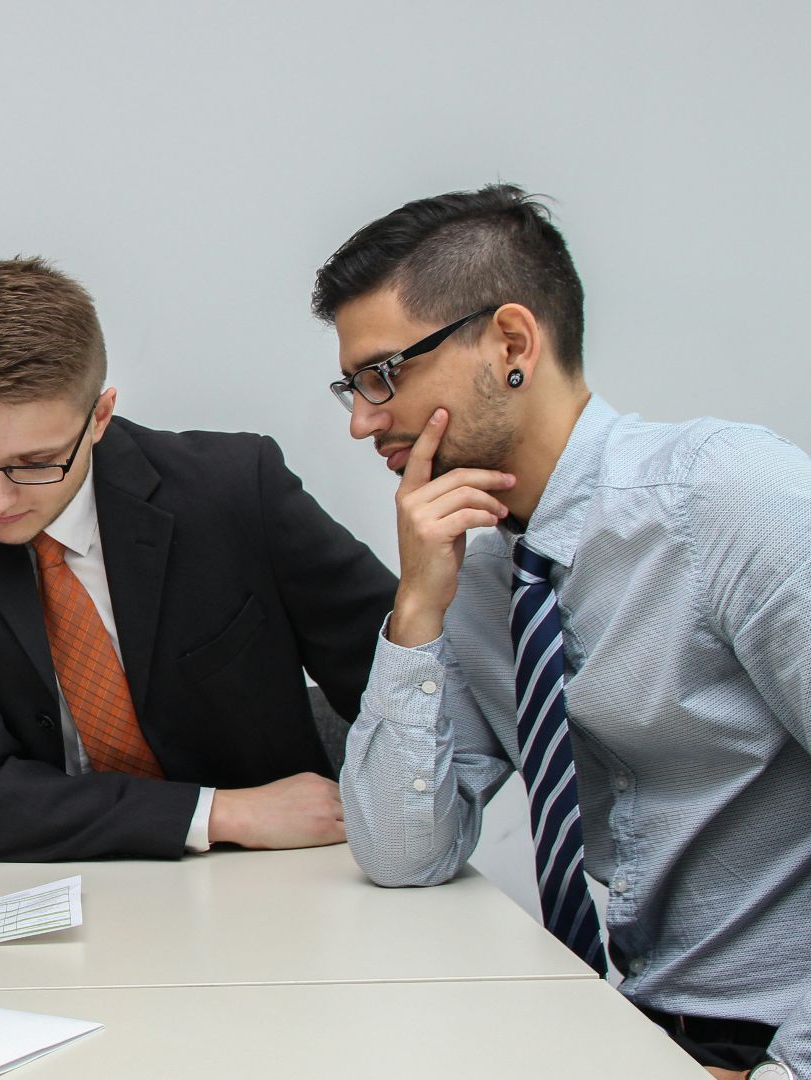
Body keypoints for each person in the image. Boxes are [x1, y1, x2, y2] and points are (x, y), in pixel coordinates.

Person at [315, 183, 808, 1080]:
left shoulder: (733, 501)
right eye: (353, 385)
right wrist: (416, 611)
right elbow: (398, 853)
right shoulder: (479, 567)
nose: (362, 419)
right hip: (642, 1027)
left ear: (511, 343)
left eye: (385, 375)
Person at [0, 257, 396, 863]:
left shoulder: (235, 492)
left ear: (100, 417)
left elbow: (406, 693)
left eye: (36, 464)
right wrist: (221, 812)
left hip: (269, 879)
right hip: (35, 885)